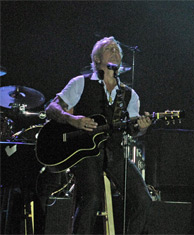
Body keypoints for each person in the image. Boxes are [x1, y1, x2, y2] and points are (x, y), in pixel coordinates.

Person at [45, 36, 152, 234]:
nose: (115, 52)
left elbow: (134, 129)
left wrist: (142, 127)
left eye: (117, 50)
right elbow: (51, 108)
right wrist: (72, 119)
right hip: (85, 153)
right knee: (92, 198)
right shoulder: (81, 83)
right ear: (97, 58)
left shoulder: (129, 94)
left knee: (143, 200)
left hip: (114, 152)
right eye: (109, 49)